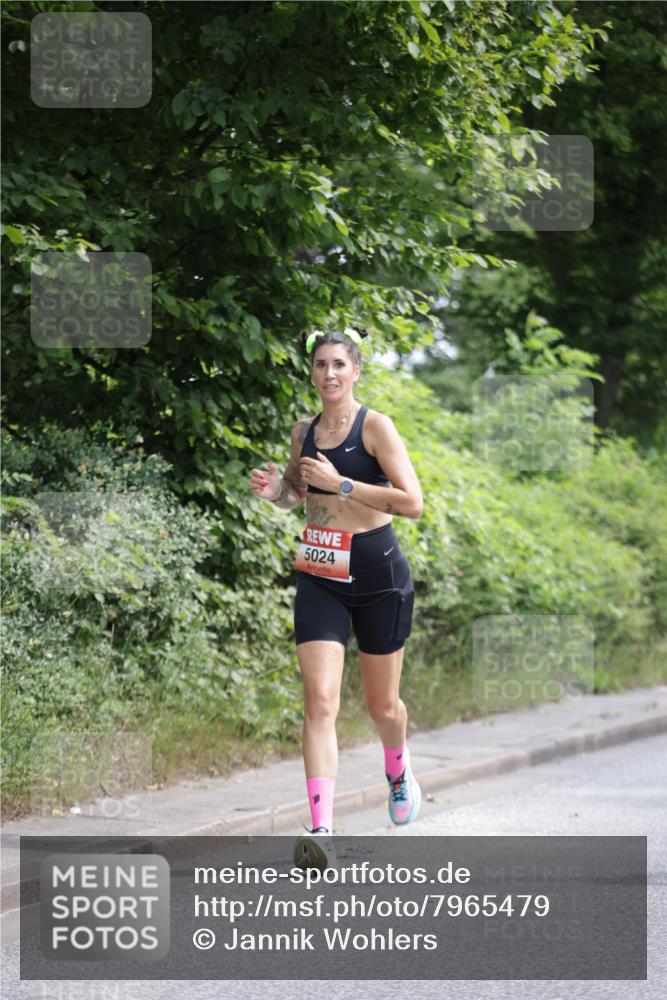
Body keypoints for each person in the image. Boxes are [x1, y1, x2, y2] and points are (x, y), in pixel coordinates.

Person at [248, 327, 423, 869]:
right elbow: (301, 497)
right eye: (320, 364)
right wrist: (277, 491)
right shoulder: (303, 431)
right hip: (321, 573)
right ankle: (320, 830)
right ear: (311, 372)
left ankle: (397, 769)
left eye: (338, 365)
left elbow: (412, 502)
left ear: (355, 372)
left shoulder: (376, 427)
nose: (329, 374)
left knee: (382, 707)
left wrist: (343, 482)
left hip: (378, 578)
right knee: (320, 702)